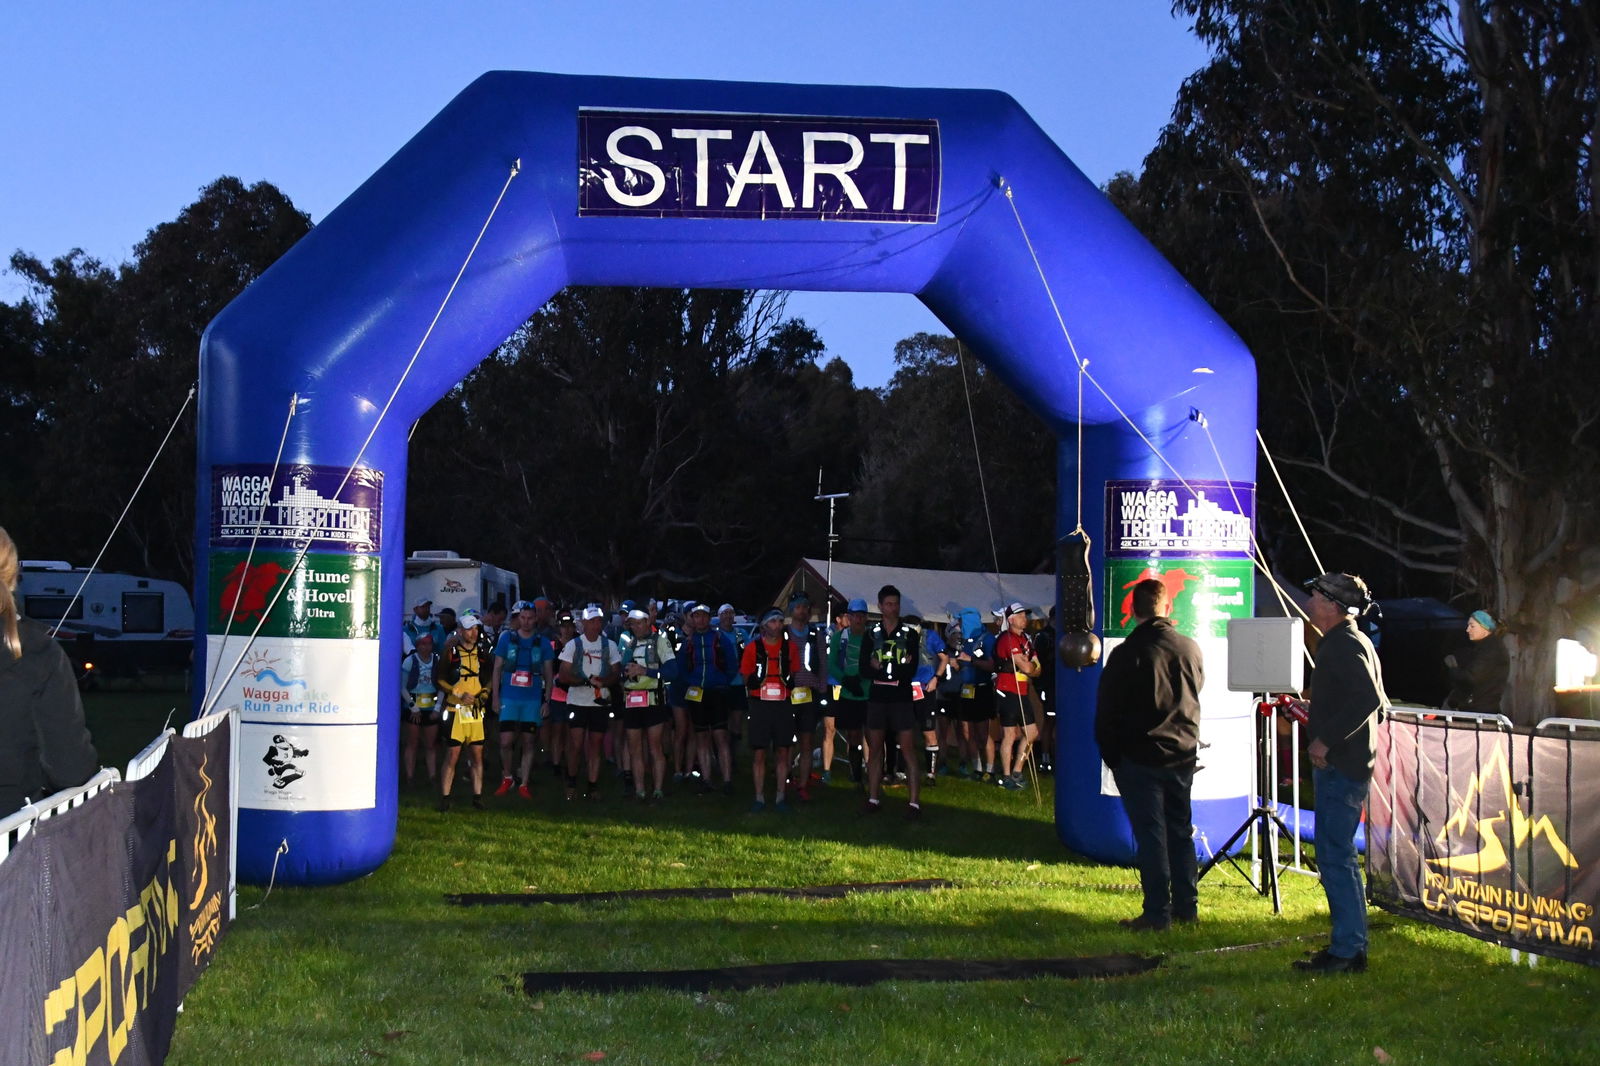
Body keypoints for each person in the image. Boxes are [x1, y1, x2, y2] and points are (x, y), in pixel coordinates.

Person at [1093, 578, 1204, 931]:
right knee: (1180, 831)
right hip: (1182, 753)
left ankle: (1158, 912)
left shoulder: (1128, 653)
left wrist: (1113, 756)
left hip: (1140, 756)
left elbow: (1107, 711)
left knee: (1151, 835)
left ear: (1133, 610)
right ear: (1168, 608)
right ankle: (1187, 906)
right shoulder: (1190, 648)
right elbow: (1196, 690)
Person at [1296, 571, 1389, 974]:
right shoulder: (1355, 640)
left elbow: (1369, 698)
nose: (1309, 603)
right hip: (1347, 762)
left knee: (1336, 856)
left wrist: (1326, 739)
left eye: (1314, 596)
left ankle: (1348, 950)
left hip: (1342, 766)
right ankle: (1347, 946)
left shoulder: (1342, 643)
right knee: (1337, 854)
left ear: (1332, 605)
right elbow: (1377, 702)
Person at [0, 526, 99, 815]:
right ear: (13, 575)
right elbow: (71, 770)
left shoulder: (36, 651)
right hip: (10, 842)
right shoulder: (38, 653)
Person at [861, 584, 925, 818]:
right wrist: (891, 669)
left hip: (901, 698)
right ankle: (873, 797)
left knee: (907, 748)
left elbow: (912, 668)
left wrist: (885, 668)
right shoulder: (871, 634)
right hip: (878, 697)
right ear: (880, 606)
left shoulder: (910, 635)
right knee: (875, 749)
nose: (893, 608)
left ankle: (914, 803)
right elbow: (863, 668)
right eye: (888, 604)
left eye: (896, 604)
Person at [491, 600, 554, 799]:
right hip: (509, 696)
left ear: (535, 619)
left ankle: (524, 783)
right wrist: (495, 696)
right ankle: (507, 776)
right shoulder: (506, 639)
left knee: (528, 740)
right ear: (518, 618)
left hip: (532, 698)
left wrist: (547, 701)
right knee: (505, 740)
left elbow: (548, 673)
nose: (526, 622)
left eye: (530, 618)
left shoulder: (542, 643)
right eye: (523, 618)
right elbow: (497, 668)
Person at [741, 607, 802, 812]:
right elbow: (746, 677)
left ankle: (780, 796)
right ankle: (759, 797)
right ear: (764, 625)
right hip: (760, 704)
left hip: (783, 704)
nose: (777, 625)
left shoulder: (790, 648)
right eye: (773, 621)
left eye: (779, 621)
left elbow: (794, 672)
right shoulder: (752, 648)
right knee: (759, 752)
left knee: (783, 750)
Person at [558, 605, 622, 800]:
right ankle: (571, 782)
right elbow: (563, 675)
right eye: (592, 621)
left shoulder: (609, 645)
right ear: (584, 623)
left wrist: (603, 682)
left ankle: (593, 785)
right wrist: (585, 681)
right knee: (576, 744)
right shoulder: (573, 645)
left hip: (600, 702)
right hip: (578, 701)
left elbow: (616, 672)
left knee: (596, 744)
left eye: (598, 621)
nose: (596, 624)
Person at [674, 603, 739, 794]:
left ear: (709, 619)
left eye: (704, 616)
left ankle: (727, 780)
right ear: (692, 619)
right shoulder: (688, 643)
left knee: (720, 735)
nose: (700, 620)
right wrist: (691, 681)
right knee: (701, 736)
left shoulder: (719, 639)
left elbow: (732, 663)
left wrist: (723, 681)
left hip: (717, 691)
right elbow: (681, 667)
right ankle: (706, 778)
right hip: (696, 693)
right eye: (697, 616)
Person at [619, 607, 676, 802]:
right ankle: (640, 789)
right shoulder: (628, 643)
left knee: (654, 747)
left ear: (647, 622)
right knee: (634, 748)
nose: (635, 627)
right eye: (631, 624)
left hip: (653, 699)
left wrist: (646, 671)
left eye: (638, 622)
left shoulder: (659, 641)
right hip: (631, 699)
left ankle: (658, 789)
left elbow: (672, 672)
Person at [437, 610, 489, 811]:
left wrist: (483, 694)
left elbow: (488, 677)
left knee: (477, 754)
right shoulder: (450, 652)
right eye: (469, 629)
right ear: (460, 631)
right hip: (455, 709)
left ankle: (478, 797)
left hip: (475, 712)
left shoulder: (482, 653)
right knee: (452, 755)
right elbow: (440, 678)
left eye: (475, 628)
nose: (473, 633)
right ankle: (445, 797)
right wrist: (457, 693)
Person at [993, 602, 1041, 790]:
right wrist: (1032, 668)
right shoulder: (1008, 639)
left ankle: (1016, 771)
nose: (1025, 618)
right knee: (1010, 734)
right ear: (1011, 619)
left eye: (1025, 615)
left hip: (1021, 691)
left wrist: (1032, 669)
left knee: (1031, 733)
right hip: (1008, 690)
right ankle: (1007, 776)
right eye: (1021, 615)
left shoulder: (1026, 640)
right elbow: (1029, 667)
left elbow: (1036, 668)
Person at [785, 593, 828, 800]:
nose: (803, 611)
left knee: (807, 740)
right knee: (786, 741)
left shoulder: (815, 634)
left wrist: (822, 688)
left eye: (805, 607)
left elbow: (823, 664)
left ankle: (803, 784)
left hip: (809, 694)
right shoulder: (784, 633)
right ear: (792, 609)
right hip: (787, 693)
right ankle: (785, 778)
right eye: (799, 607)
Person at [828, 598, 872, 786]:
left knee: (872, 734)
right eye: (855, 616)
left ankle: (873, 769)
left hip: (869, 692)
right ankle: (855, 773)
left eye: (861, 616)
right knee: (853, 734)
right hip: (847, 693)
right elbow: (831, 664)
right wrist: (845, 679)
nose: (858, 620)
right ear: (849, 617)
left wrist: (864, 678)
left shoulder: (871, 637)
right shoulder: (840, 637)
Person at [1443, 609, 1509, 713]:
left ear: (1485, 628)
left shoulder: (1491, 649)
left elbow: (1471, 678)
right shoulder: (1484, 647)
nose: (1467, 630)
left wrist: (1453, 670)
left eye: (1472, 626)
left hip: (1481, 711)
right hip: (1476, 708)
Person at [400, 632, 443, 787]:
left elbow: (442, 684)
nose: (426, 647)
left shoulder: (437, 660)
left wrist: (437, 708)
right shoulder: (410, 661)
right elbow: (402, 686)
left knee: (431, 744)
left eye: (429, 644)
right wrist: (412, 706)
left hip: (431, 705)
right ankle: (410, 777)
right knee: (412, 742)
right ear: (417, 646)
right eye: (423, 644)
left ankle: (432, 777)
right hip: (414, 705)